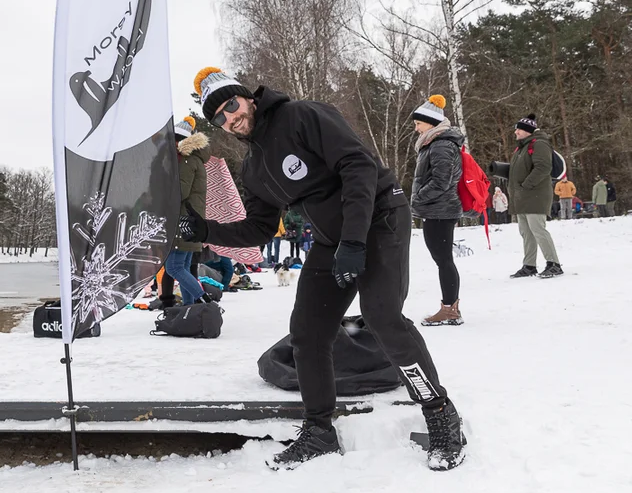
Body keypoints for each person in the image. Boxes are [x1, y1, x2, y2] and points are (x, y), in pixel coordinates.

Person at [178, 67, 464, 471]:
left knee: (382, 317)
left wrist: (353, 241)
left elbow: (358, 167)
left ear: (247, 97)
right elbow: (260, 227)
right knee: (308, 332)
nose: (230, 118)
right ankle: (319, 433)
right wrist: (205, 228)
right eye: (219, 117)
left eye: (231, 105)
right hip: (333, 240)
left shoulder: (302, 116)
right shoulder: (254, 167)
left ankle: (441, 414)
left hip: (380, 216)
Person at [409, 95, 465, 327]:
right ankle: (451, 308)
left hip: (441, 210)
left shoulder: (441, 144)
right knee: (443, 260)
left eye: (418, 123)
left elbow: (442, 181)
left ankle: (450, 309)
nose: (415, 128)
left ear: (431, 123)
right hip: (436, 210)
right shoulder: (433, 143)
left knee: (444, 260)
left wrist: (417, 199)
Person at [507, 114, 562, 278]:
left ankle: (554, 264)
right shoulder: (521, 147)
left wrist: (526, 185)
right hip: (522, 196)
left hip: (535, 195)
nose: (516, 132)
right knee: (526, 232)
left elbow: (543, 167)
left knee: (538, 229)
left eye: (519, 129)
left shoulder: (539, 144)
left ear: (527, 131)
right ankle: (529, 265)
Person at [165, 116, 210, 306]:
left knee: (173, 267)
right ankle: (190, 308)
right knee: (183, 266)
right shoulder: (195, 159)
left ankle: (204, 301)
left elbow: (180, 192)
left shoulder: (185, 160)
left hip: (184, 219)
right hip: (192, 220)